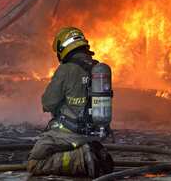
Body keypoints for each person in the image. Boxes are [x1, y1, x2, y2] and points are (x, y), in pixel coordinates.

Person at [27, 27, 113, 178]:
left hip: (69, 133)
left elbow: (48, 103)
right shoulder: (96, 68)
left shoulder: (66, 69)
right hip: (95, 132)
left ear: (63, 48)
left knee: (35, 162)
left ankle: (80, 158)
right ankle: (90, 151)